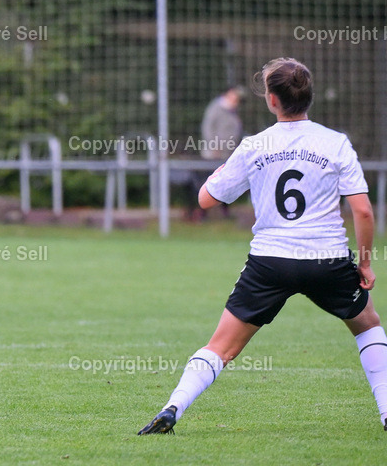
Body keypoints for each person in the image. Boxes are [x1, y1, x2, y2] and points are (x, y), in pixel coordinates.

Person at [139, 58, 387, 434]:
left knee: (221, 347)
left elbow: (206, 199)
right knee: (368, 326)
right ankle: (386, 411)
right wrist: (365, 264)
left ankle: (173, 406)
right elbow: (363, 211)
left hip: (270, 261)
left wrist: (226, 170)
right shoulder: (335, 143)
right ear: (309, 97)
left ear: (272, 100)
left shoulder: (255, 145)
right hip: (327, 259)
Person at [188, 85, 245, 221]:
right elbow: (207, 128)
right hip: (213, 155)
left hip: (227, 154)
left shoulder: (233, 110)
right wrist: (214, 146)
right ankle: (202, 213)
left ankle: (224, 212)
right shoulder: (216, 107)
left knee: (226, 181)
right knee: (208, 182)